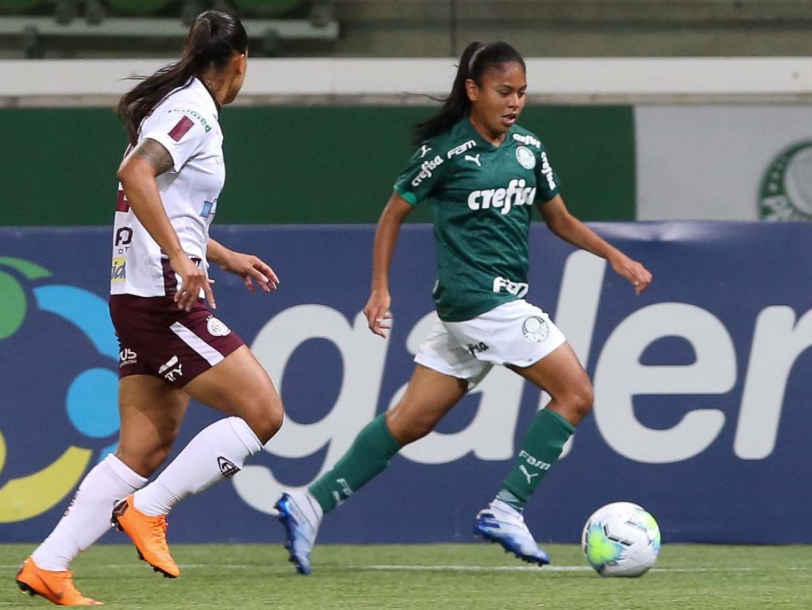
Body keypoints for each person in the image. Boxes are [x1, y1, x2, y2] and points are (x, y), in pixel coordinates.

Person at [276, 41, 652, 575]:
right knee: (575, 393)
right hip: (481, 301)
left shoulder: (528, 149)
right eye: (504, 91)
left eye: (522, 92)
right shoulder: (447, 152)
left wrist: (615, 256)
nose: (515, 101)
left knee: (409, 421)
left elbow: (560, 218)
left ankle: (309, 504)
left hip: (483, 308)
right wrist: (380, 288)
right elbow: (391, 215)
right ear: (473, 91)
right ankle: (507, 508)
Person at [16, 11, 284, 606]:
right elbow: (135, 174)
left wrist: (219, 253)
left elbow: (165, 203)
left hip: (140, 292)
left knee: (146, 444)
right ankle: (149, 509)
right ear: (240, 61)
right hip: (163, 297)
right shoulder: (191, 113)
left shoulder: (177, 105)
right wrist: (185, 262)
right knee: (263, 412)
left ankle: (49, 566)